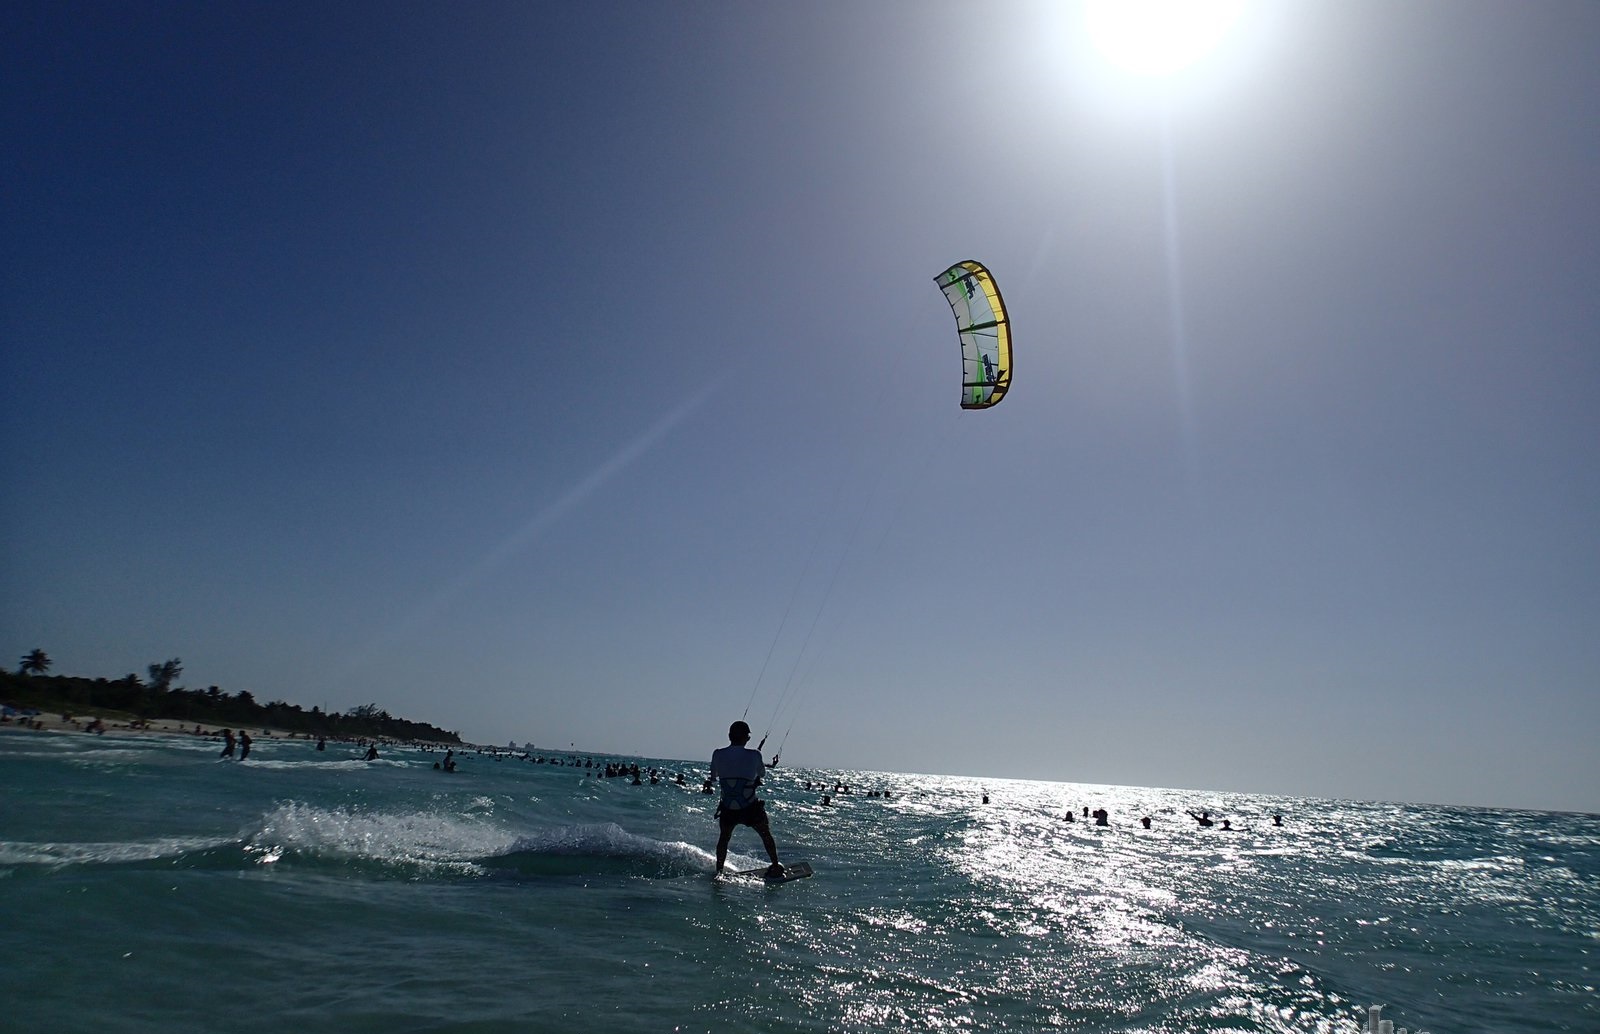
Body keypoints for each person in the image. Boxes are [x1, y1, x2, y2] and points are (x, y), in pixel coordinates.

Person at [710, 720, 781, 878]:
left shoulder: (717, 754)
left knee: (724, 838)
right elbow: (762, 774)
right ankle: (775, 866)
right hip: (749, 808)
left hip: (728, 808)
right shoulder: (755, 755)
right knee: (766, 834)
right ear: (747, 738)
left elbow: (713, 778)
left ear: (729, 736)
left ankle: (719, 872)